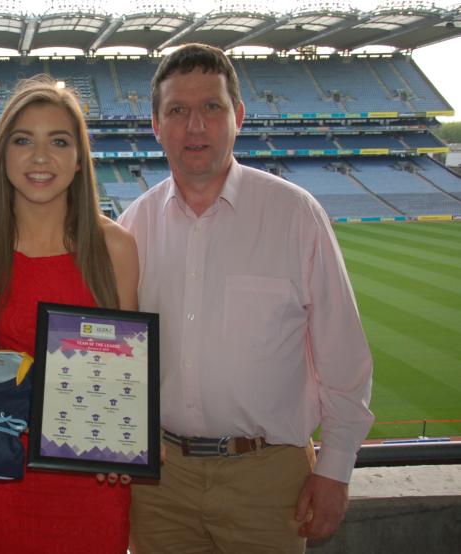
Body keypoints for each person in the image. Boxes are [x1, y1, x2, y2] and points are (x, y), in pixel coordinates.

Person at [118, 43, 374, 553]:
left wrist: (336, 468)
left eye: (211, 107)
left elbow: (344, 359)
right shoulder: (132, 229)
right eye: (177, 110)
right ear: (156, 124)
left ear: (237, 115)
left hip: (268, 479)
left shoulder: (295, 215)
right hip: (160, 480)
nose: (195, 126)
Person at [0, 75, 139, 554]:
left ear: (79, 161)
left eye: (58, 141)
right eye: (22, 141)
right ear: (3, 156)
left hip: (92, 474)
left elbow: (126, 369)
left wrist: (126, 437)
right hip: (1, 478)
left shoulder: (115, 246)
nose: (39, 158)